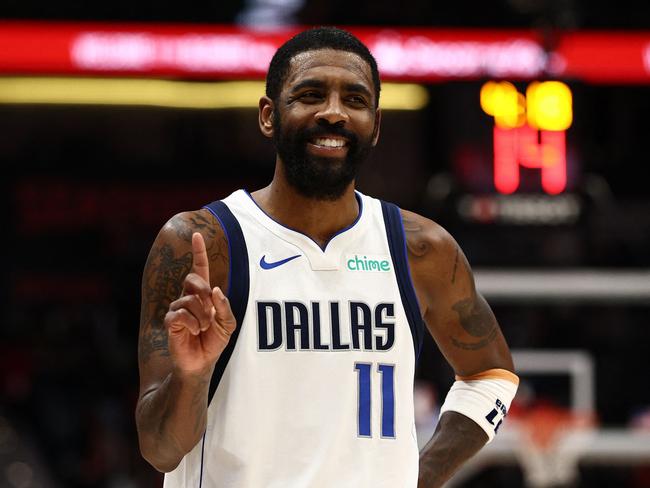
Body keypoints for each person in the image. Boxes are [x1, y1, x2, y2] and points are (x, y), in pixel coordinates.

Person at [136, 26, 518, 488]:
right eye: (311, 94)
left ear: (375, 126)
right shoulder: (201, 243)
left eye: (354, 100)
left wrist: (420, 475)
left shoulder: (422, 249)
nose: (333, 113)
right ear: (268, 115)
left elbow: (490, 377)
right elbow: (159, 450)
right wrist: (192, 376)